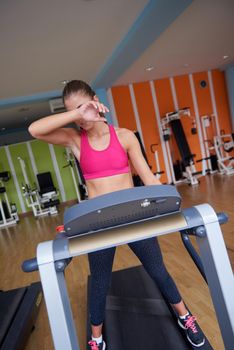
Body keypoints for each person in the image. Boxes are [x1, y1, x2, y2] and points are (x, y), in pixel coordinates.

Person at [28, 80, 205, 350]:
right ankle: (97, 339)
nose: (81, 115)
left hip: (133, 217)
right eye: (73, 110)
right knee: (100, 282)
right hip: (98, 223)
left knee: (158, 272)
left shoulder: (124, 136)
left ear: (95, 101)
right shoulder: (76, 140)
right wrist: (78, 113)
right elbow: (34, 130)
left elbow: (148, 179)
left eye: (83, 106)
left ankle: (185, 316)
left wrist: (171, 204)